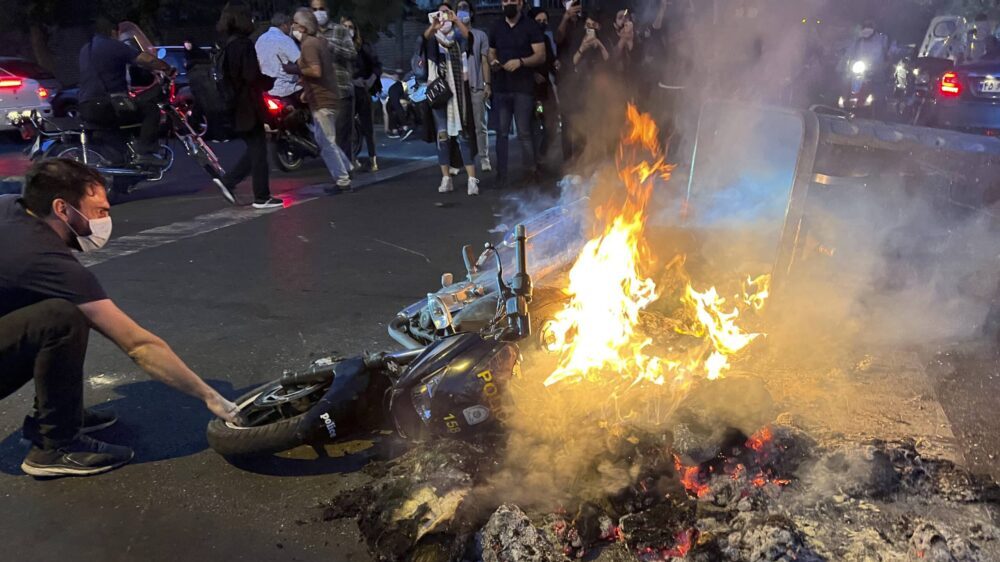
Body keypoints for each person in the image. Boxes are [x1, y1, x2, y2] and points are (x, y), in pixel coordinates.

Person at [0, 159, 240, 477]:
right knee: (61, 318)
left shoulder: (9, 207)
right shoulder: (43, 260)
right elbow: (139, 345)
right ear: (62, 209)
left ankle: (61, 414)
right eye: (99, 210)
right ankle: (55, 444)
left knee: (59, 306)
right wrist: (210, 397)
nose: (106, 218)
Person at [212, 1, 283, 209]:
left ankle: (229, 181)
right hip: (248, 106)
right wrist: (269, 81)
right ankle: (261, 196)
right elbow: (251, 76)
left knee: (255, 148)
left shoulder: (228, 44)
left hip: (235, 105)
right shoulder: (243, 45)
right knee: (259, 150)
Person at [77, 17, 174, 166]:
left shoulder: (86, 49)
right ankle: (145, 153)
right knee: (151, 110)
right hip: (107, 104)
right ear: (113, 32)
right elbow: (145, 60)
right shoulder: (112, 45)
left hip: (86, 105)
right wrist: (167, 68)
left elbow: (103, 74)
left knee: (127, 122)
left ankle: (126, 174)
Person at [285, 8, 353, 193]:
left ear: (304, 27)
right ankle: (346, 167)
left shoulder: (309, 45)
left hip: (323, 101)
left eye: (295, 23)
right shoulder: (319, 42)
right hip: (327, 97)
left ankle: (343, 180)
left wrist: (295, 70)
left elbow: (316, 71)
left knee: (326, 143)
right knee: (324, 140)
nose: (293, 27)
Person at [423, 3, 480, 196]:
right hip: (439, 94)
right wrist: (433, 26)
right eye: (440, 13)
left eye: (446, 12)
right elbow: (423, 41)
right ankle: (446, 178)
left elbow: (468, 38)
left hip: (458, 93)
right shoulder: (432, 39)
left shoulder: (456, 38)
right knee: (443, 136)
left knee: (464, 134)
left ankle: (472, 179)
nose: (444, 17)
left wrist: (456, 20)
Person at [488, 0, 546, 187]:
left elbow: (540, 55)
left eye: (512, 0)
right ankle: (501, 175)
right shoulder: (497, 26)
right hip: (501, 88)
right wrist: (493, 62)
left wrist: (520, 62)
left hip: (523, 88)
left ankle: (530, 173)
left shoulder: (531, 26)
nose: (508, 3)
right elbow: (491, 52)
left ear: (520, 3)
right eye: (504, 1)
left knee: (524, 133)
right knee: (501, 133)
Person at [311, 0, 358, 169]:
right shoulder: (310, 34)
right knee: (325, 138)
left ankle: (346, 174)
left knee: (342, 136)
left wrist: (330, 46)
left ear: (328, 10)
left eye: (321, 9)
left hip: (341, 89)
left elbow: (352, 54)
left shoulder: (340, 31)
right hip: (321, 93)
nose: (318, 12)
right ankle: (340, 175)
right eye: (314, 9)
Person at [457, 1, 492, 173]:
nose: (462, 12)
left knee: (480, 125)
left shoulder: (480, 35)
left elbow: (485, 61)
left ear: (471, 13)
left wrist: (487, 83)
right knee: (460, 126)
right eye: (459, 9)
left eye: (465, 8)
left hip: (476, 85)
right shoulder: (452, 35)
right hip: (458, 88)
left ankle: (484, 157)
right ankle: (462, 161)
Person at [342, 16, 382, 172]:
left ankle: (373, 159)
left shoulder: (362, 46)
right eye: (344, 27)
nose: (347, 30)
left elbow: (376, 66)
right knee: (348, 127)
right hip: (347, 90)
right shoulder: (338, 48)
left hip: (362, 90)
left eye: (350, 26)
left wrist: (371, 79)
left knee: (368, 126)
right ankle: (352, 158)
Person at [529, 7, 560, 165]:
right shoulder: (526, 39)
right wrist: (533, 74)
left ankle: (543, 155)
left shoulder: (546, 40)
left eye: (545, 21)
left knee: (552, 125)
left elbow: (551, 60)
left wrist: (556, 64)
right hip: (533, 92)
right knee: (536, 125)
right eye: (538, 21)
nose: (542, 24)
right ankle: (535, 162)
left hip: (546, 91)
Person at [255, 12, 302, 99]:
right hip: (287, 89)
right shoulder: (284, 39)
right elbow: (301, 62)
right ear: (285, 25)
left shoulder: (260, 39)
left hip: (266, 89)